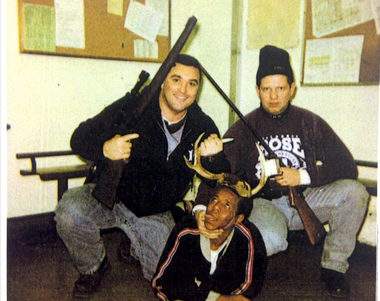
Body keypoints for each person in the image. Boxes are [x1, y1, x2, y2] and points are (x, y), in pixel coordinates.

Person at [194, 45, 369, 299]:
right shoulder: (243, 128)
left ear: (292, 88)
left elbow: (347, 165)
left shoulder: (310, 122)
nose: (274, 96)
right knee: (270, 239)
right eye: (266, 89)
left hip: (308, 196)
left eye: (280, 88)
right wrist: (200, 209)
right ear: (257, 90)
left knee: (355, 193)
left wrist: (303, 176)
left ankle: (333, 267)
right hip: (264, 205)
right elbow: (218, 175)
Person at [54, 54, 229, 299]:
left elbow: (216, 179)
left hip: (156, 213)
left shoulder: (203, 125)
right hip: (111, 199)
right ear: (162, 81)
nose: (183, 89)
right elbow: (79, 138)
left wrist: (214, 158)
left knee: (169, 278)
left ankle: (133, 248)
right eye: (176, 79)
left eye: (192, 83)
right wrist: (106, 149)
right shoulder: (133, 106)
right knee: (69, 211)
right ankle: (93, 268)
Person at [152, 174, 267, 301]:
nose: (216, 207)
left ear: (237, 219)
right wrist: (215, 297)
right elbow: (161, 283)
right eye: (214, 199)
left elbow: (249, 288)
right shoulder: (187, 230)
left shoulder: (248, 237)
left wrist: (196, 289)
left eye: (227, 205)